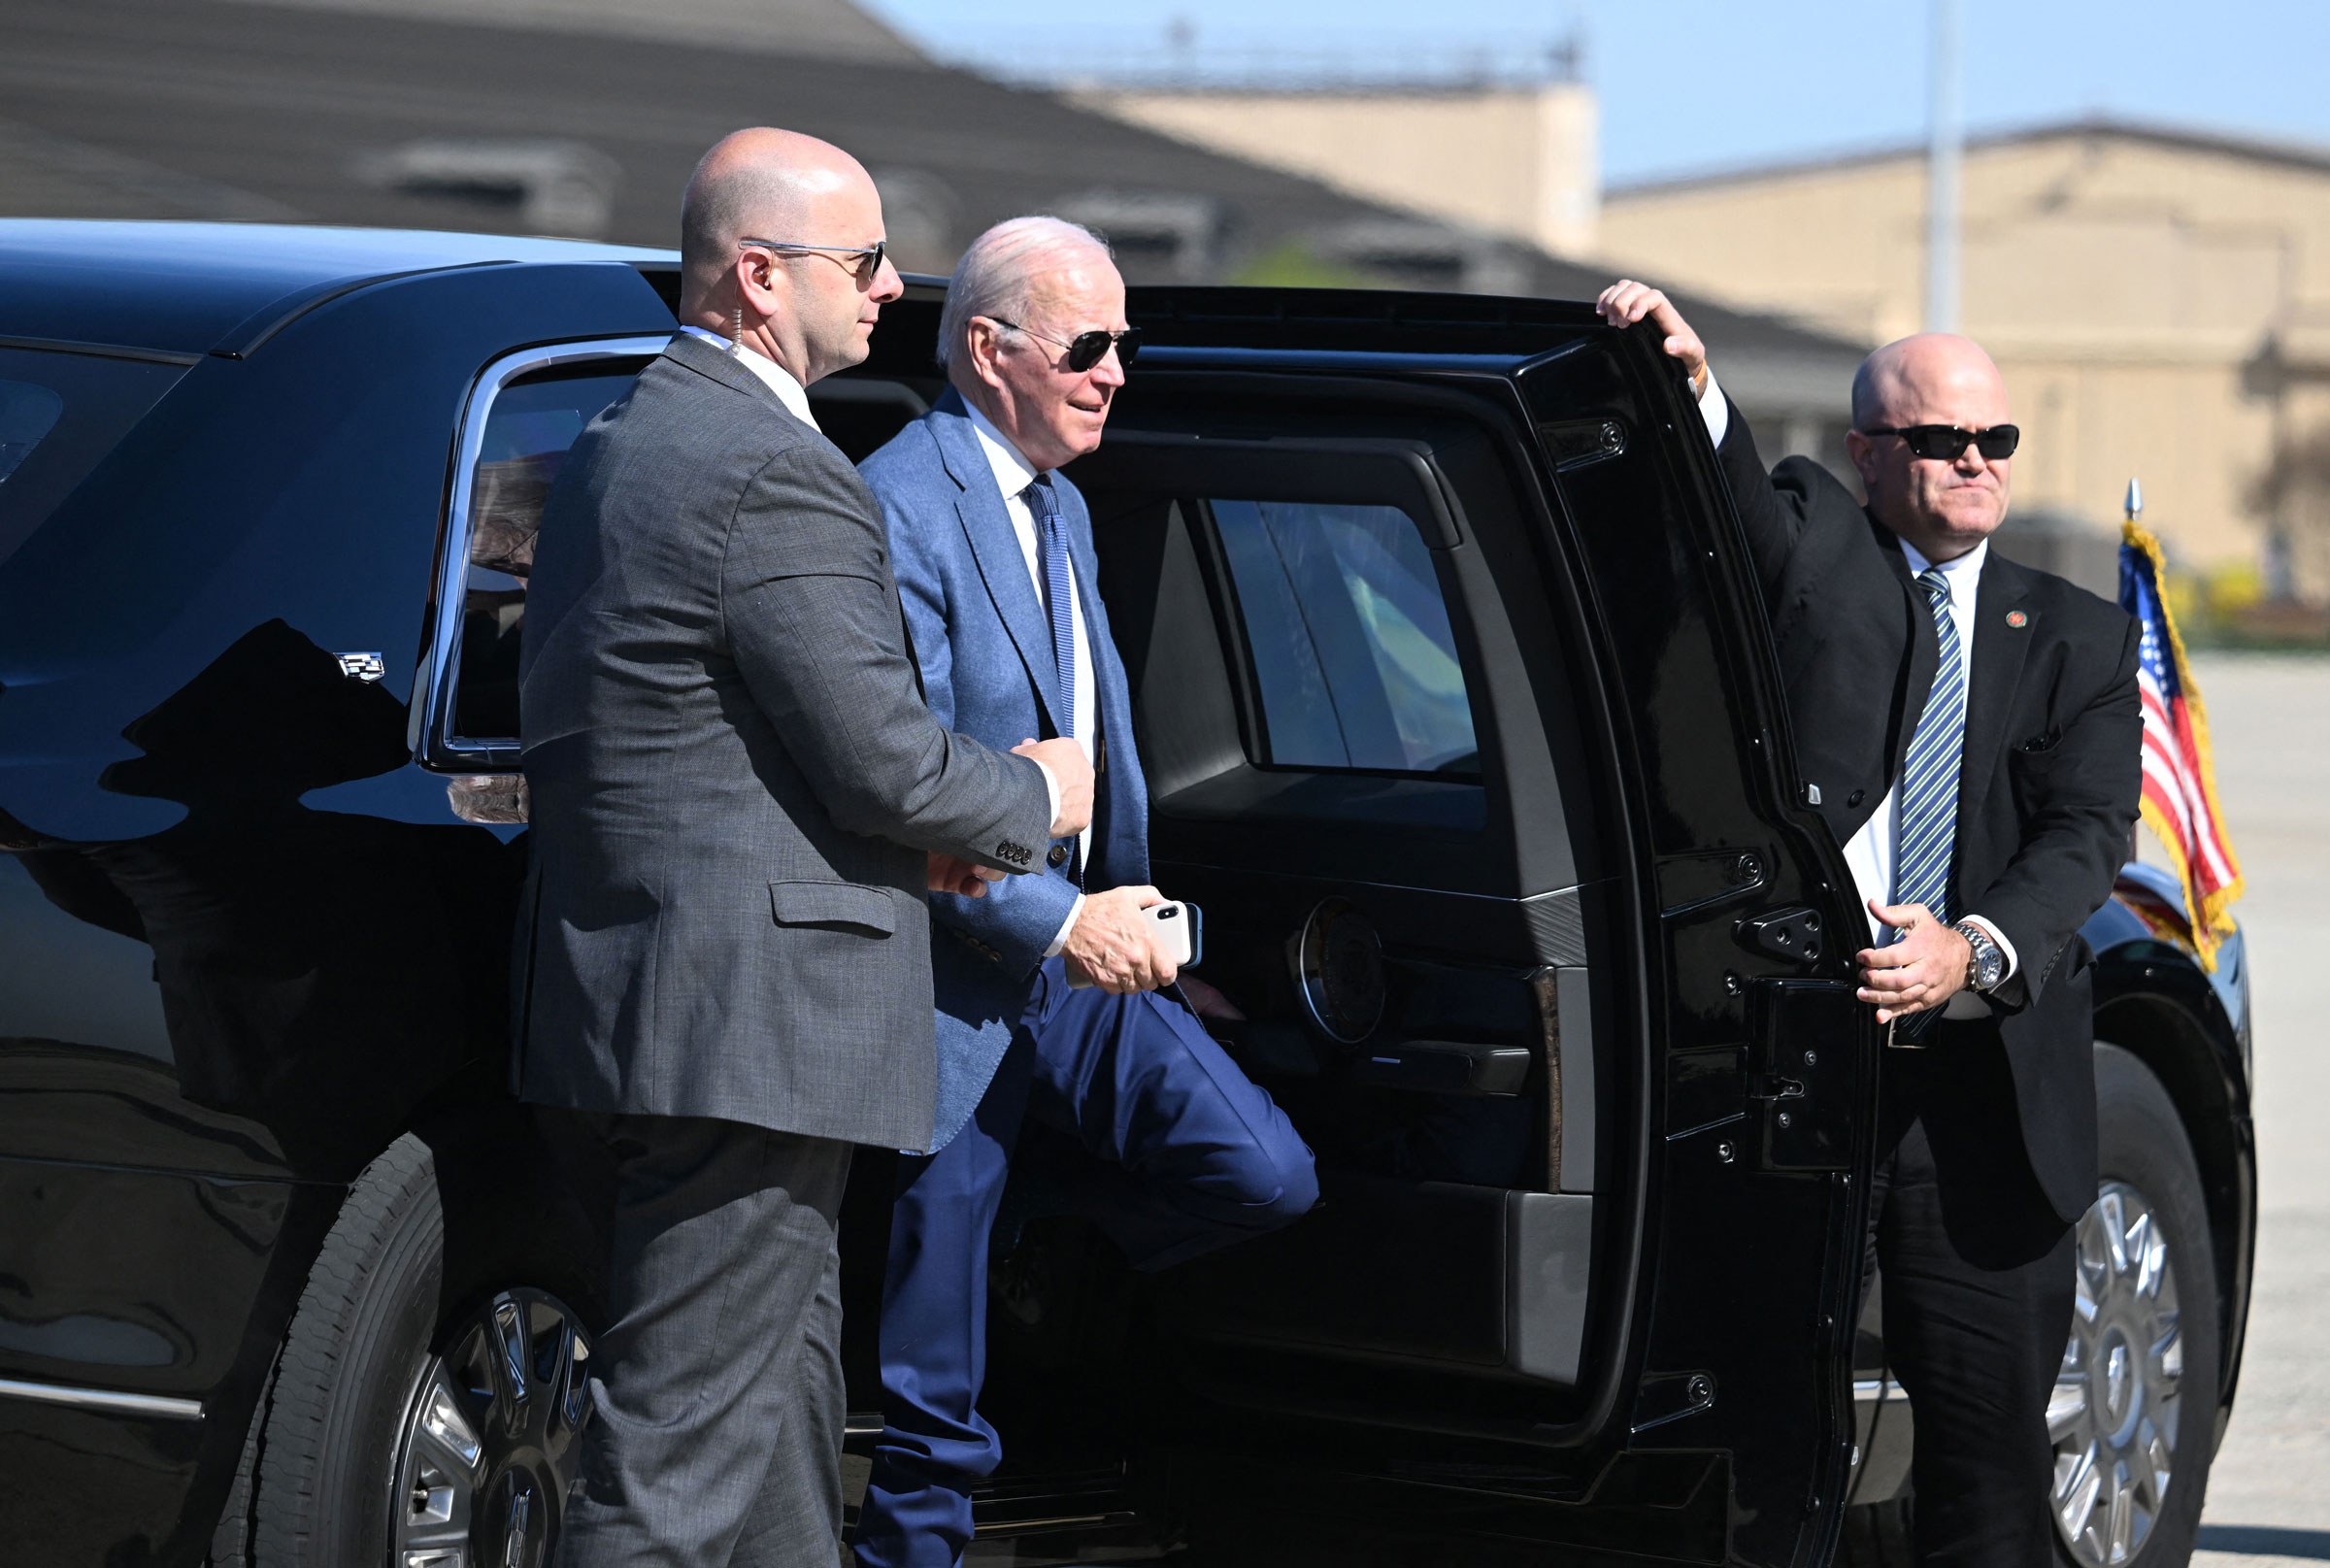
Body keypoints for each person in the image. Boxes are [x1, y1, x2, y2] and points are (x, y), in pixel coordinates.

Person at [514, 130, 1093, 1568]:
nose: (896, 286)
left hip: (645, 1005)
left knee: (775, 1432)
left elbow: (714, 744)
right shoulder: (777, 472)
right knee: (678, 1463)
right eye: (865, 261)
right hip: (750, 1034)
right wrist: (1032, 797)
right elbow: (885, 759)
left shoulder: (623, 437)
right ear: (760, 277)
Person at [1598, 281, 2141, 1567]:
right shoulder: (1819, 556)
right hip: (1794, 1084)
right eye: (1941, 440)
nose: (1973, 463)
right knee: (1772, 1453)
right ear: (1866, 453)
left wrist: (1972, 951)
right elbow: (1735, 515)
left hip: (1978, 1106)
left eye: (1993, 442)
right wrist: (1692, 390)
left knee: (1990, 1472)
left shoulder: (2078, 637)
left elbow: (2087, 837)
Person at [850, 217, 1319, 1568]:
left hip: (1081, 961)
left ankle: (1036, 1245)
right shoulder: (901, 506)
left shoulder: (1058, 503)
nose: (1119, 372)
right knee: (933, 1394)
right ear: (990, 353)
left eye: (1126, 345)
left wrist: (1145, 925)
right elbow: (913, 794)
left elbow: (1090, 741)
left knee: (1263, 1172)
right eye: (1091, 346)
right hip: (953, 968)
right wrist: (1059, 918)